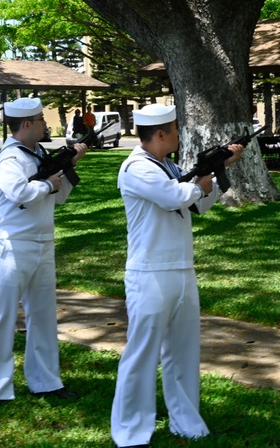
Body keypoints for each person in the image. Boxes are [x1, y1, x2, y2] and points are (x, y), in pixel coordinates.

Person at [110, 104, 244, 447]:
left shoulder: (168, 164)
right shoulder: (137, 167)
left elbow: (197, 203)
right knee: (142, 352)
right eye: (174, 128)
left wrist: (217, 173)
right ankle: (130, 428)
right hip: (150, 272)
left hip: (181, 267)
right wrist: (200, 185)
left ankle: (185, 419)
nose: (178, 134)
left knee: (183, 350)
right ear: (159, 134)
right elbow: (174, 197)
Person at [0, 98, 88, 411]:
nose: (45, 123)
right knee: (1, 316)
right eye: (40, 119)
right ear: (26, 124)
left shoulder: (39, 153)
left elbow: (60, 196)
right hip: (15, 243)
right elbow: (18, 193)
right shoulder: (10, 157)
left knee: (43, 315)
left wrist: (69, 165)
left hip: (43, 241)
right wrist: (47, 186)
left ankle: (46, 381)